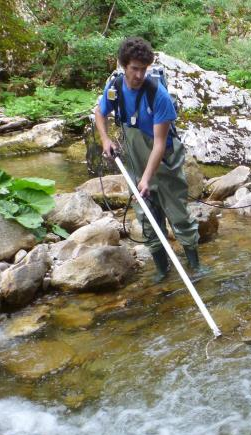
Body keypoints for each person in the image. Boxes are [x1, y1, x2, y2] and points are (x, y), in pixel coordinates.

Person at [95, 36, 200, 283]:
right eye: (135, 69)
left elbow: (160, 144)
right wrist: (105, 139)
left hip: (164, 163)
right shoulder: (114, 88)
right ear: (123, 66)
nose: (140, 75)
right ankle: (163, 272)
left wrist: (146, 179)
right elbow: (100, 113)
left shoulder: (158, 95)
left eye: (144, 69)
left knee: (179, 215)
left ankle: (196, 268)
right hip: (135, 162)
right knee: (147, 218)